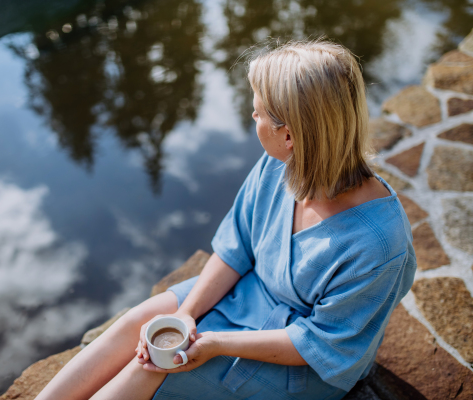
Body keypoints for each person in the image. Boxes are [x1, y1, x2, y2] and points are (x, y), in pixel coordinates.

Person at [34, 39, 417, 400]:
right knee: (137, 322)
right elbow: (236, 249)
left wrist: (215, 343)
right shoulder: (279, 165)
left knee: (150, 368)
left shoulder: (379, 245)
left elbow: (319, 344)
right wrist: (185, 315)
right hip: (248, 293)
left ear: (290, 136)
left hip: (300, 360)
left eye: (260, 112)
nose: (252, 115)